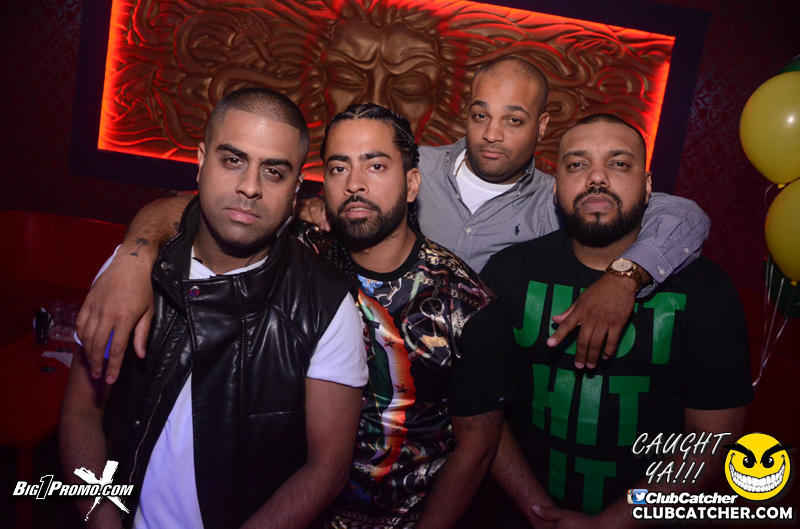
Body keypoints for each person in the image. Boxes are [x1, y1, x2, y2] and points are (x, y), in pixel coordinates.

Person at [59, 87, 367, 529]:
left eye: (273, 171)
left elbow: (326, 469)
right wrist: (103, 519)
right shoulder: (130, 273)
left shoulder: (326, 307)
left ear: (297, 188)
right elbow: (81, 412)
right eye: (233, 160)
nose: (249, 187)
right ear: (202, 161)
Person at [300, 55, 712, 371]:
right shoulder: (413, 166)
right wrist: (319, 207)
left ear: (542, 125)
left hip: (482, 374)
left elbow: (685, 216)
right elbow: (348, 187)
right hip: (363, 352)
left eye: (513, 120)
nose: (492, 134)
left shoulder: (561, 198)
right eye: (481, 116)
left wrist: (626, 277)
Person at [475, 114, 753, 527]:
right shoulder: (508, 272)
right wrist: (537, 512)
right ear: (557, 186)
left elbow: (713, 439)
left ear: (648, 185)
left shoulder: (706, 290)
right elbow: (480, 413)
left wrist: (613, 522)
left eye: (619, 163)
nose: (597, 177)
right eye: (577, 164)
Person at [303, 103, 508, 528]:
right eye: (339, 168)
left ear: (412, 183)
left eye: (375, 166)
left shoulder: (466, 303)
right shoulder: (299, 259)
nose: (354, 183)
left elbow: (477, 450)